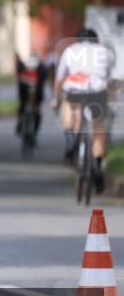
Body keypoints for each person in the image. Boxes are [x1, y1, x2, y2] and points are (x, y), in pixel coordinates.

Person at [53, 28, 117, 192]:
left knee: (67, 105)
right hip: (97, 91)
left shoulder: (70, 51)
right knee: (98, 129)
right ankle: (97, 165)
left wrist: (56, 99)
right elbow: (110, 80)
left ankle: (70, 142)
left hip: (75, 87)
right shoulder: (105, 52)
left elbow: (60, 79)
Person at [15, 53, 47, 136]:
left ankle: (21, 123)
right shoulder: (41, 68)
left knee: (27, 107)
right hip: (30, 92)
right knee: (32, 109)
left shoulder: (39, 69)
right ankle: (21, 123)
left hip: (33, 92)